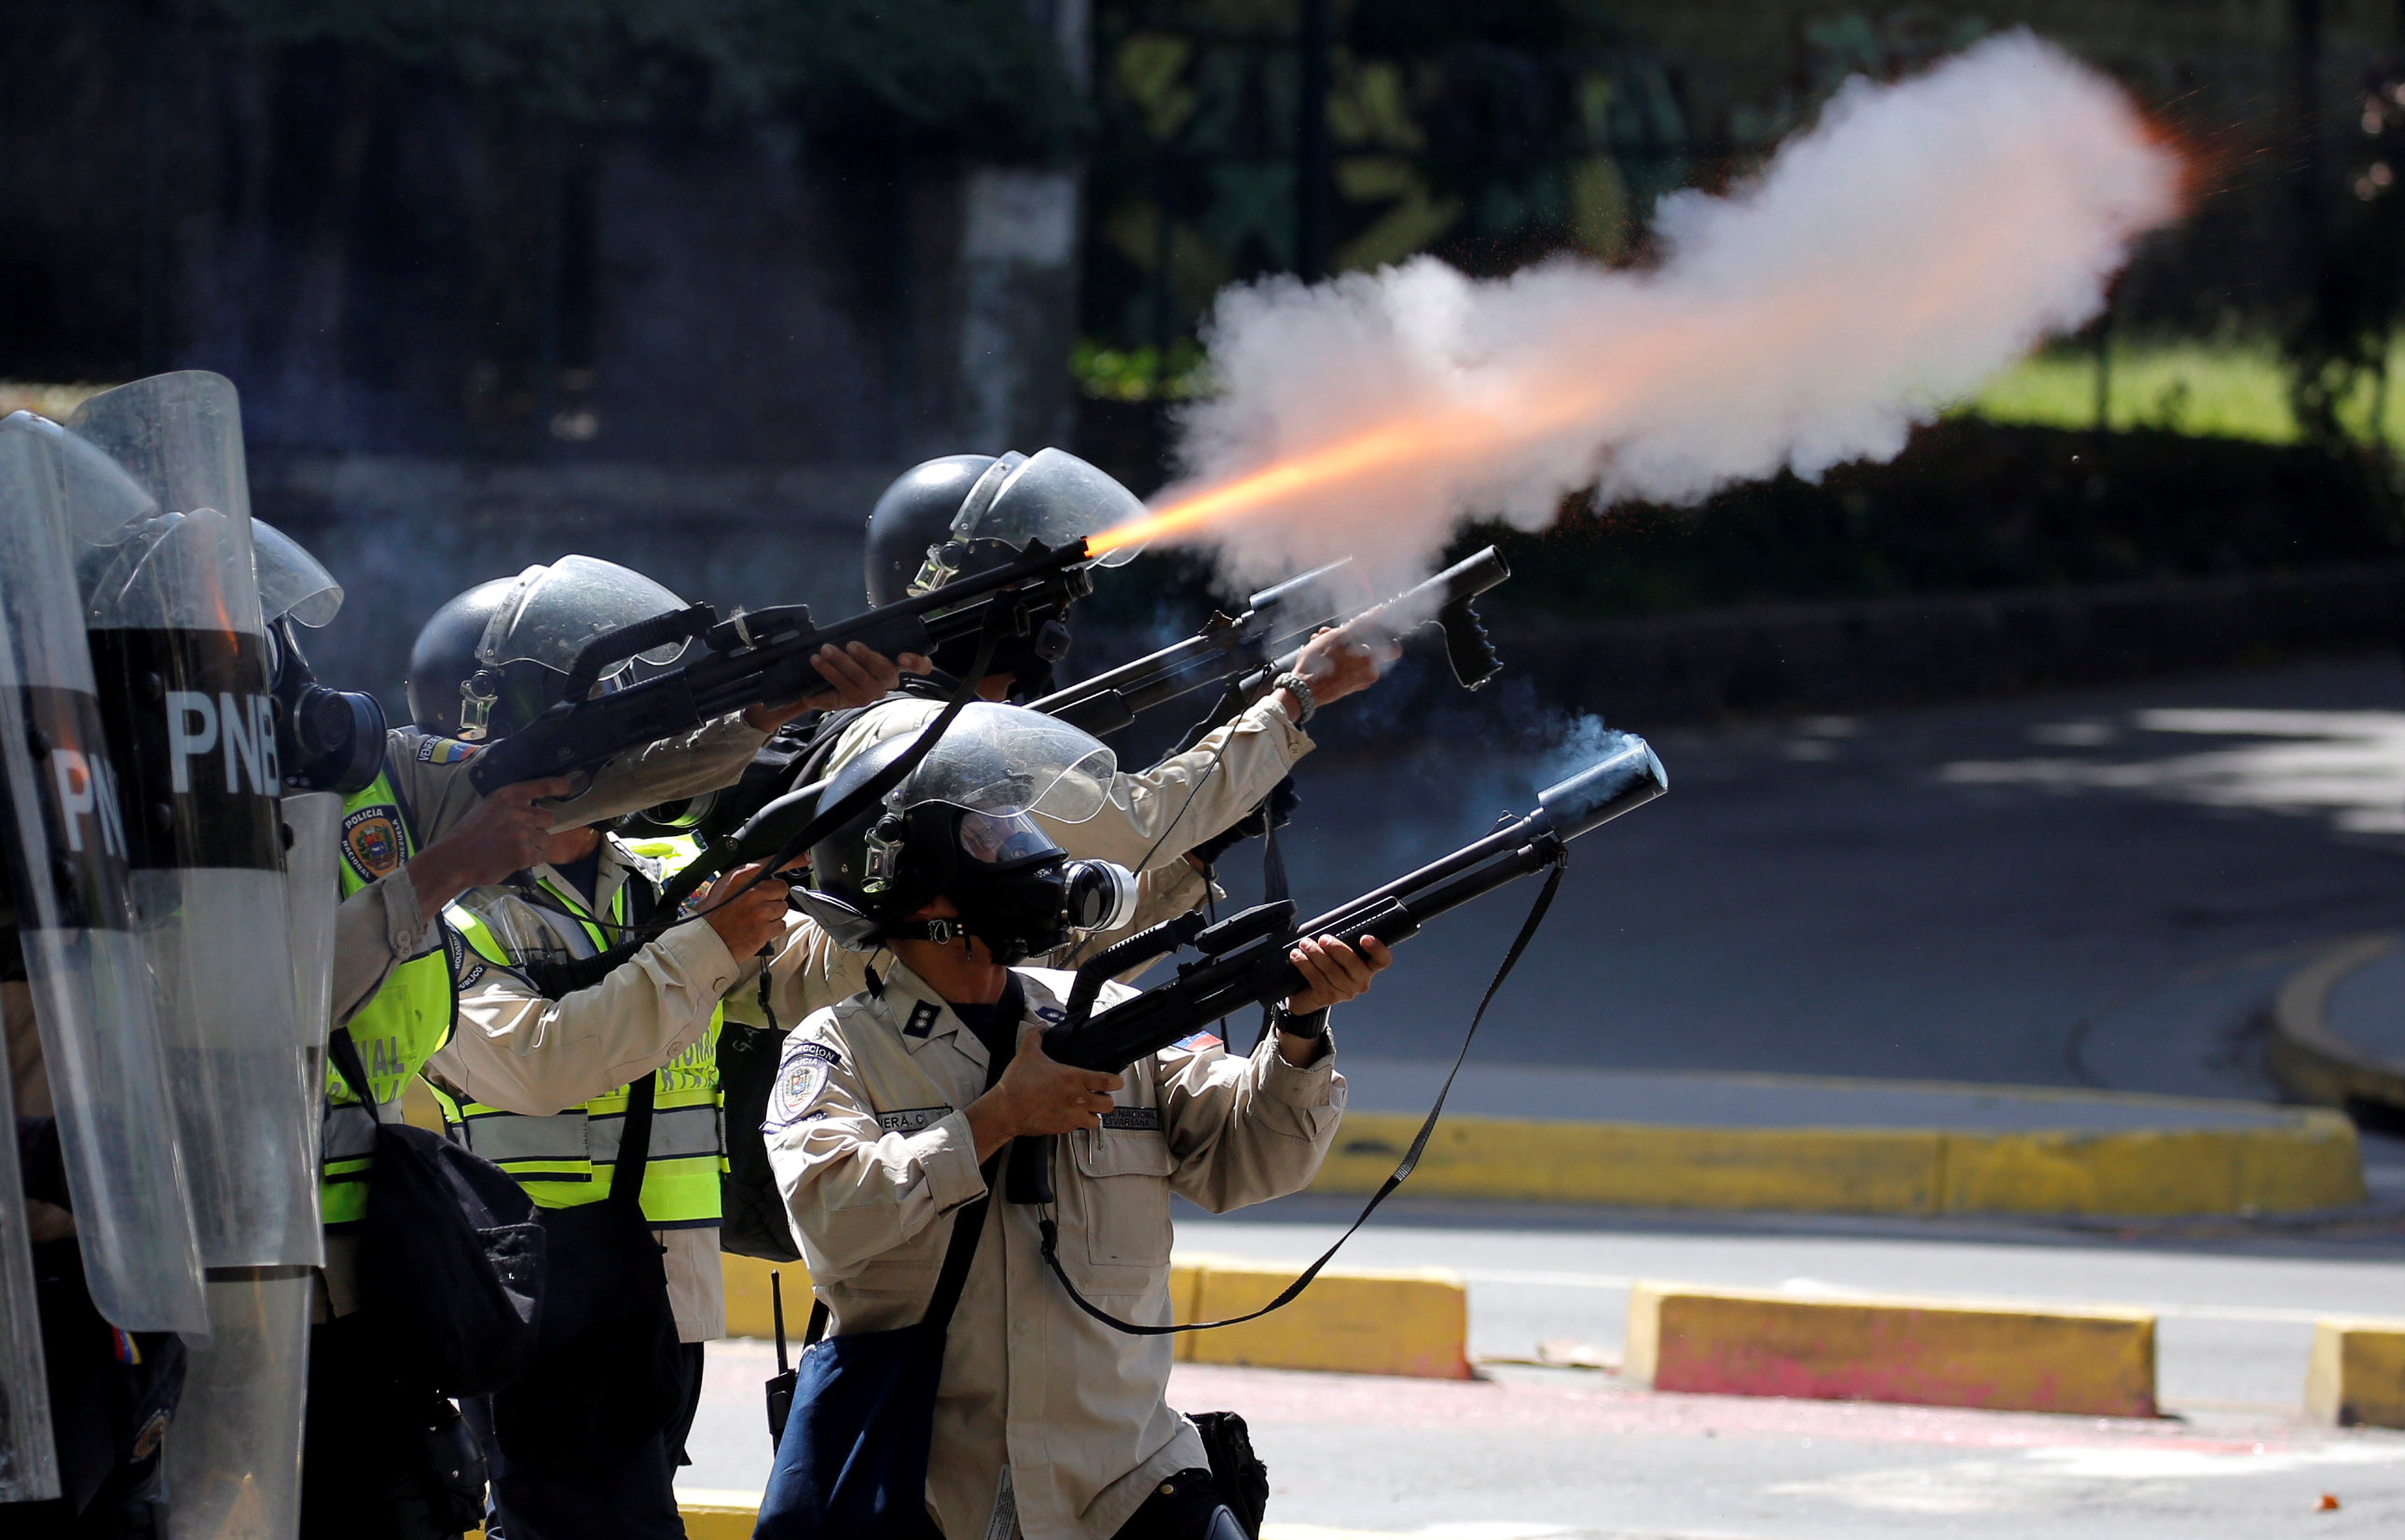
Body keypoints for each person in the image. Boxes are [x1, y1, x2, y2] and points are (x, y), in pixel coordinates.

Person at [301, 552, 915, 1540]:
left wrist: (901, 898)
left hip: (660, 1288)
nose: (641, 743)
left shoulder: (657, 874)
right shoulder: (452, 910)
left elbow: (789, 977)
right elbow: (546, 1061)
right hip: (536, 1292)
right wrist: (709, 939)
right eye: (619, 714)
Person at [761, 706, 1392, 1540]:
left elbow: (1252, 1164)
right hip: (934, 1489)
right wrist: (992, 1121)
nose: (1027, 854)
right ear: (918, 882)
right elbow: (835, 1219)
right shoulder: (839, 1047)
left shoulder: (1112, 1018)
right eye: (991, 839)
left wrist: (1301, 1030)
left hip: (1130, 1484)